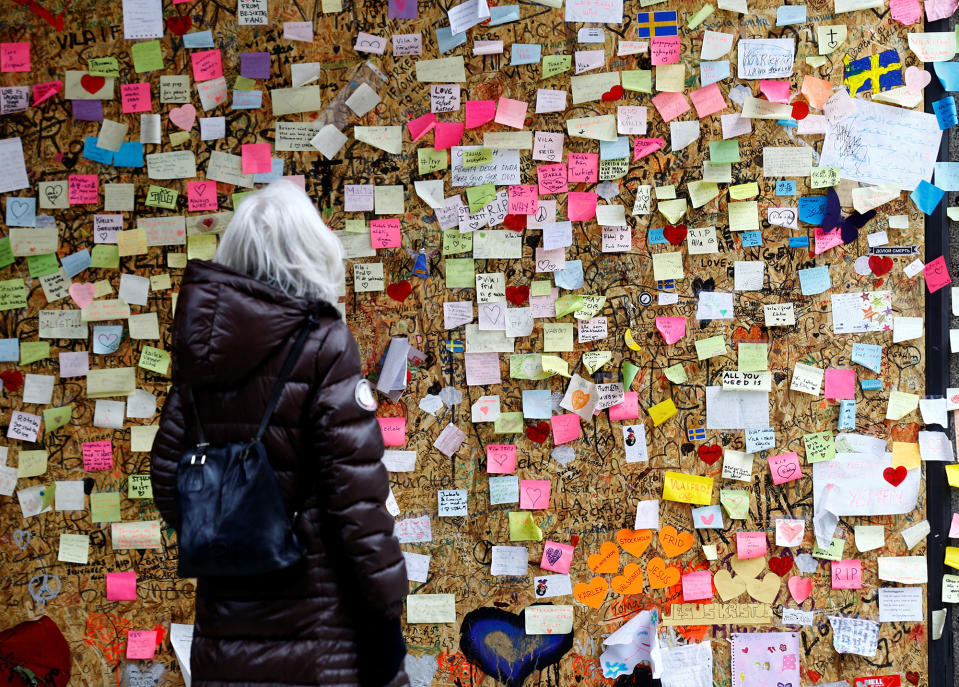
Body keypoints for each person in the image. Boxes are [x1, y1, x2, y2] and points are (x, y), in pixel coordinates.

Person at [150, 179, 410, 687]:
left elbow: (168, 478)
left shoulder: (201, 351)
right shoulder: (324, 344)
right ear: (311, 253)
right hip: (320, 635)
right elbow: (357, 503)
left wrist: (238, 532)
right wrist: (384, 618)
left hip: (224, 634)